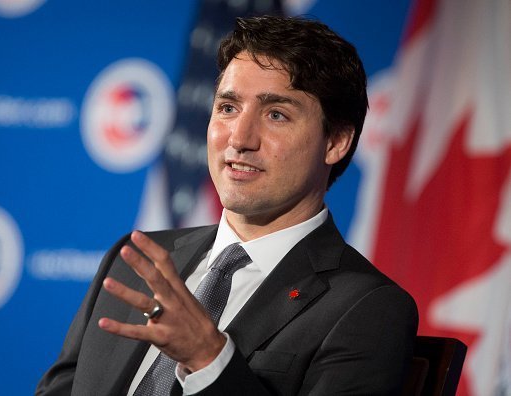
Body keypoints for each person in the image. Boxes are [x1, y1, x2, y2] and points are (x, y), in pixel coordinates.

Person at [36, 15, 418, 395]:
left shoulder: (368, 308)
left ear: (336, 142)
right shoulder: (137, 259)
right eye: (228, 108)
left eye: (276, 115)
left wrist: (208, 358)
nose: (240, 138)